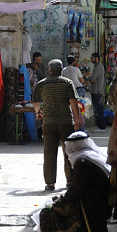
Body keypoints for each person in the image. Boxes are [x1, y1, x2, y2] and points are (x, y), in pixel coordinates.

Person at [25, 130, 111, 232]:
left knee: (48, 212)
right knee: (49, 206)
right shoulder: (91, 158)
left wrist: (60, 202)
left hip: (90, 210)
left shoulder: (83, 162)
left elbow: (75, 192)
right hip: (95, 206)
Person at [32, 59, 82, 190]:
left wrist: (38, 113)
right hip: (65, 122)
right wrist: (77, 120)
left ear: (49, 70)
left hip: (48, 123)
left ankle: (50, 183)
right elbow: (73, 102)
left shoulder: (41, 84)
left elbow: (36, 103)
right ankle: (70, 180)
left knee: (49, 152)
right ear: (61, 70)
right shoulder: (67, 83)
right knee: (68, 152)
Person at [89, 52, 107, 130]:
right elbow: (93, 79)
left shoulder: (99, 66)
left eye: (92, 58)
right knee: (98, 109)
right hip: (97, 90)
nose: (91, 59)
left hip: (97, 91)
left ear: (96, 58)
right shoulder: (97, 66)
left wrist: (88, 78)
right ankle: (101, 126)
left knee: (99, 109)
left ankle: (102, 127)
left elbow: (93, 78)